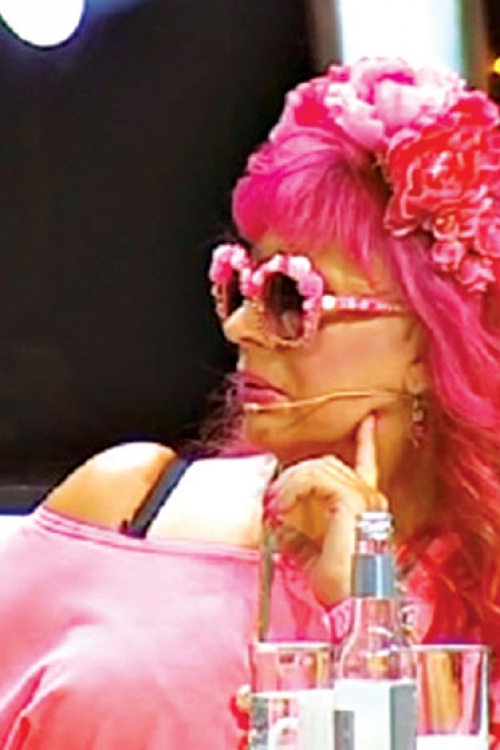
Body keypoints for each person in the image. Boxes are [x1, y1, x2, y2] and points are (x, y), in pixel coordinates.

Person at [0, 55, 500, 748]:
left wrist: (366, 614)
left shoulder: (481, 589)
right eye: (239, 284)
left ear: (426, 342)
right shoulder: (129, 504)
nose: (240, 326)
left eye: (290, 297)